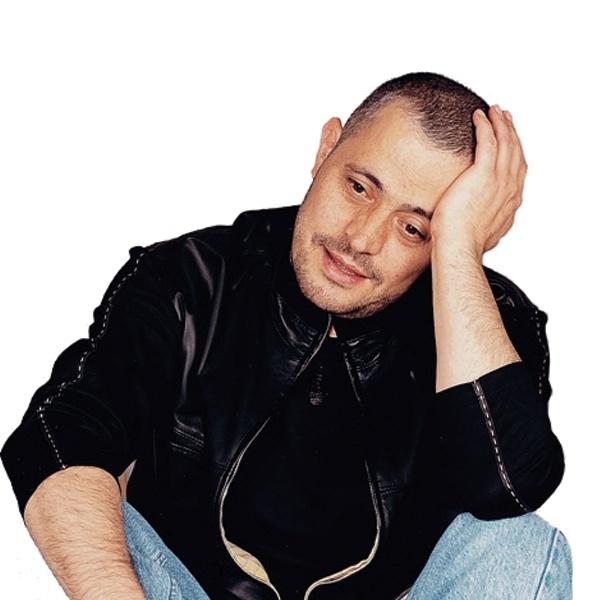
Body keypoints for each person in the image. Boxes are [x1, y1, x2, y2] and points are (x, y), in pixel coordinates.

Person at [2, 73, 571, 599]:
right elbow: (61, 438)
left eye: (412, 227)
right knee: (80, 504)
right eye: (358, 187)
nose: (361, 239)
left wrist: (459, 250)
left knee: (522, 543)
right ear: (326, 148)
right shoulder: (189, 279)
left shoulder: (490, 321)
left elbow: (505, 493)